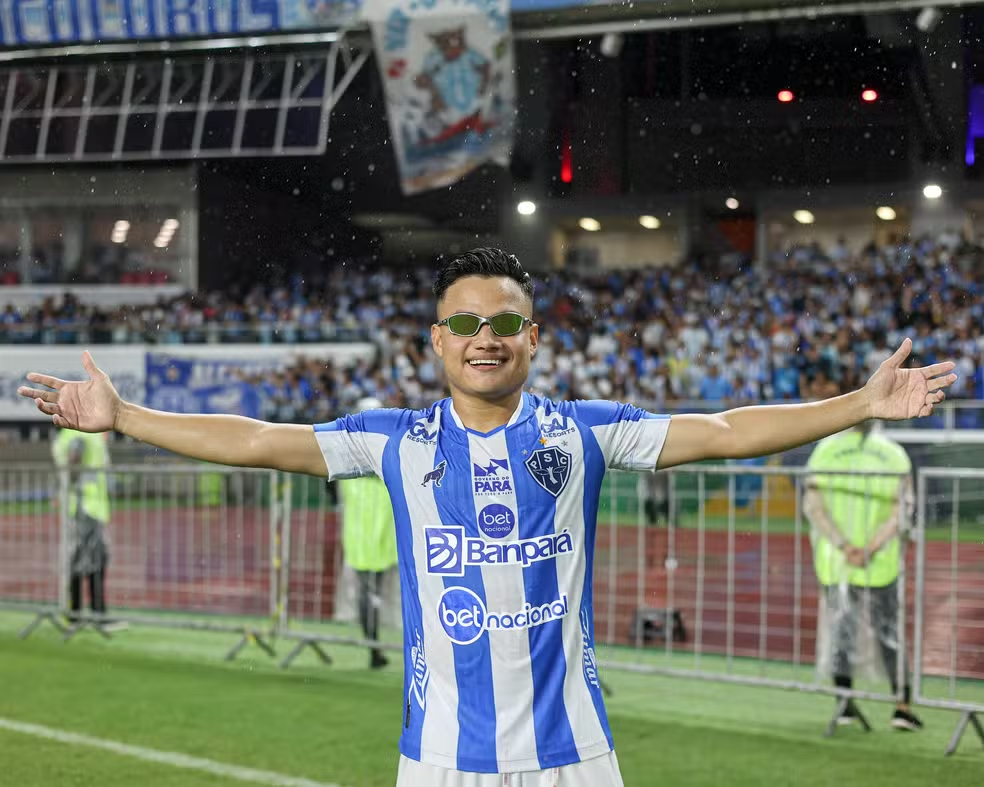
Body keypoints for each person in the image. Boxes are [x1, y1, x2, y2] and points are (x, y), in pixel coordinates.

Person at [18, 248, 955, 787]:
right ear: (437, 341)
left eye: (504, 323)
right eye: (464, 323)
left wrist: (858, 403)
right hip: (439, 759)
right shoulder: (394, 441)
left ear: (533, 338)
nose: (485, 338)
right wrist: (126, 417)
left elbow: (723, 431)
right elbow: (260, 439)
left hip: (573, 755)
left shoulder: (586, 431)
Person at [803, 420, 923, 731]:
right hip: (880, 562)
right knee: (890, 636)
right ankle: (902, 707)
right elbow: (902, 508)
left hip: (836, 561)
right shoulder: (894, 453)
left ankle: (844, 703)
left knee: (841, 634)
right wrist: (871, 547)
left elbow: (814, 507)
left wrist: (844, 546)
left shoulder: (825, 451)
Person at [339, 396, 399, 670]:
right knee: (373, 591)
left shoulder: (346, 450)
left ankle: (374, 646)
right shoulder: (387, 447)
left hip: (367, 529)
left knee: (369, 591)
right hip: (379, 529)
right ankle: (374, 647)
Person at [51, 428, 112, 625]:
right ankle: (91, 612)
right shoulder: (82, 432)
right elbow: (74, 459)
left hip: (85, 505)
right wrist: (73, 486)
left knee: (87, 557)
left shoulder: (72, 433)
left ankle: (79, 611)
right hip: (85, 506)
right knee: (90, 558)